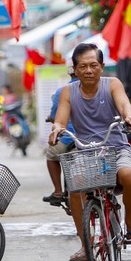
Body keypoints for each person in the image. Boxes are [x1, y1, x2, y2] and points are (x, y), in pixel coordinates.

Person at [49, 43, 131, 261]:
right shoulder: (68, 92)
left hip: (116, 147)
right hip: (87, 152)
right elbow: (61, 118)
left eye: (93, 65)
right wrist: (57, 128)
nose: (88, 70)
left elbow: (124, 105)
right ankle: (86, 244)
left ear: (102, 66)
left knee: (129, 175)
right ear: (75, 69)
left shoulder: (112, 84)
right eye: (83, 66)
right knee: (75, 189)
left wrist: (129, 117)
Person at [43, 65, 79, 205]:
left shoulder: (61, 91)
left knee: (51, 155)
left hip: (68, 136)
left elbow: (54, 115)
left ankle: (58, 191)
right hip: (90, 137)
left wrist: (52, 119)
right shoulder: (96, 89)